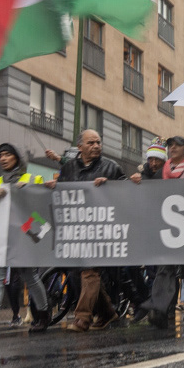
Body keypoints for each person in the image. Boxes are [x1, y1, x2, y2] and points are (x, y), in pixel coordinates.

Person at [44, 130, 126, 331]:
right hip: (77, 231)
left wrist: (111, 185)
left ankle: (82, 318)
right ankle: (107, 313)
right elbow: (64, 193)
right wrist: (55, 186)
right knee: (75, 274)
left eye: (98, 142)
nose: (96, 146)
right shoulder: (69, 168)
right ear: (80, 147)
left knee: (90, 271)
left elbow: (128, 191)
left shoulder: (111, 167)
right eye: (91, 143)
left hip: (101, 230)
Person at [0, 143, 49, 338]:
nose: (3, 158)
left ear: (17, 157)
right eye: (1, 155)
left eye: (7, 154)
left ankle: (43, 314)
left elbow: (42, 206)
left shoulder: (33, 179)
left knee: (30, 277)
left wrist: (29, 191)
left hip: (24, 237)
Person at [132, 137, 184, 328]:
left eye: (177, 145)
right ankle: (159, 311)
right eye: (170, 145)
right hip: (167, 229)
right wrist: (139, 181)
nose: (173, 148)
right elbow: (149, 192)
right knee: (165, 269)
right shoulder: (161, 173)